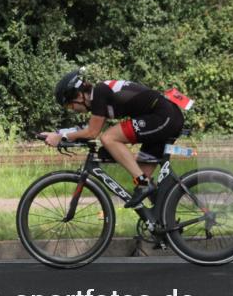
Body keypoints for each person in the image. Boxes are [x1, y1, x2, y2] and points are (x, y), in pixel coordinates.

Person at [41, 70, 185, 208]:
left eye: (69, 105)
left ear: (79, 96)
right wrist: (57, 134)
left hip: (163, 116)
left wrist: (60, 137)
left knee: (109, 138)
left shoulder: (99, 92)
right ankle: (161, 219)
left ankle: (144, 185)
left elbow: (91, 133)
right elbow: (85, 129)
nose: (72, 109)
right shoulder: (99, 98)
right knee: (141, 176)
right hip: (166, 116)